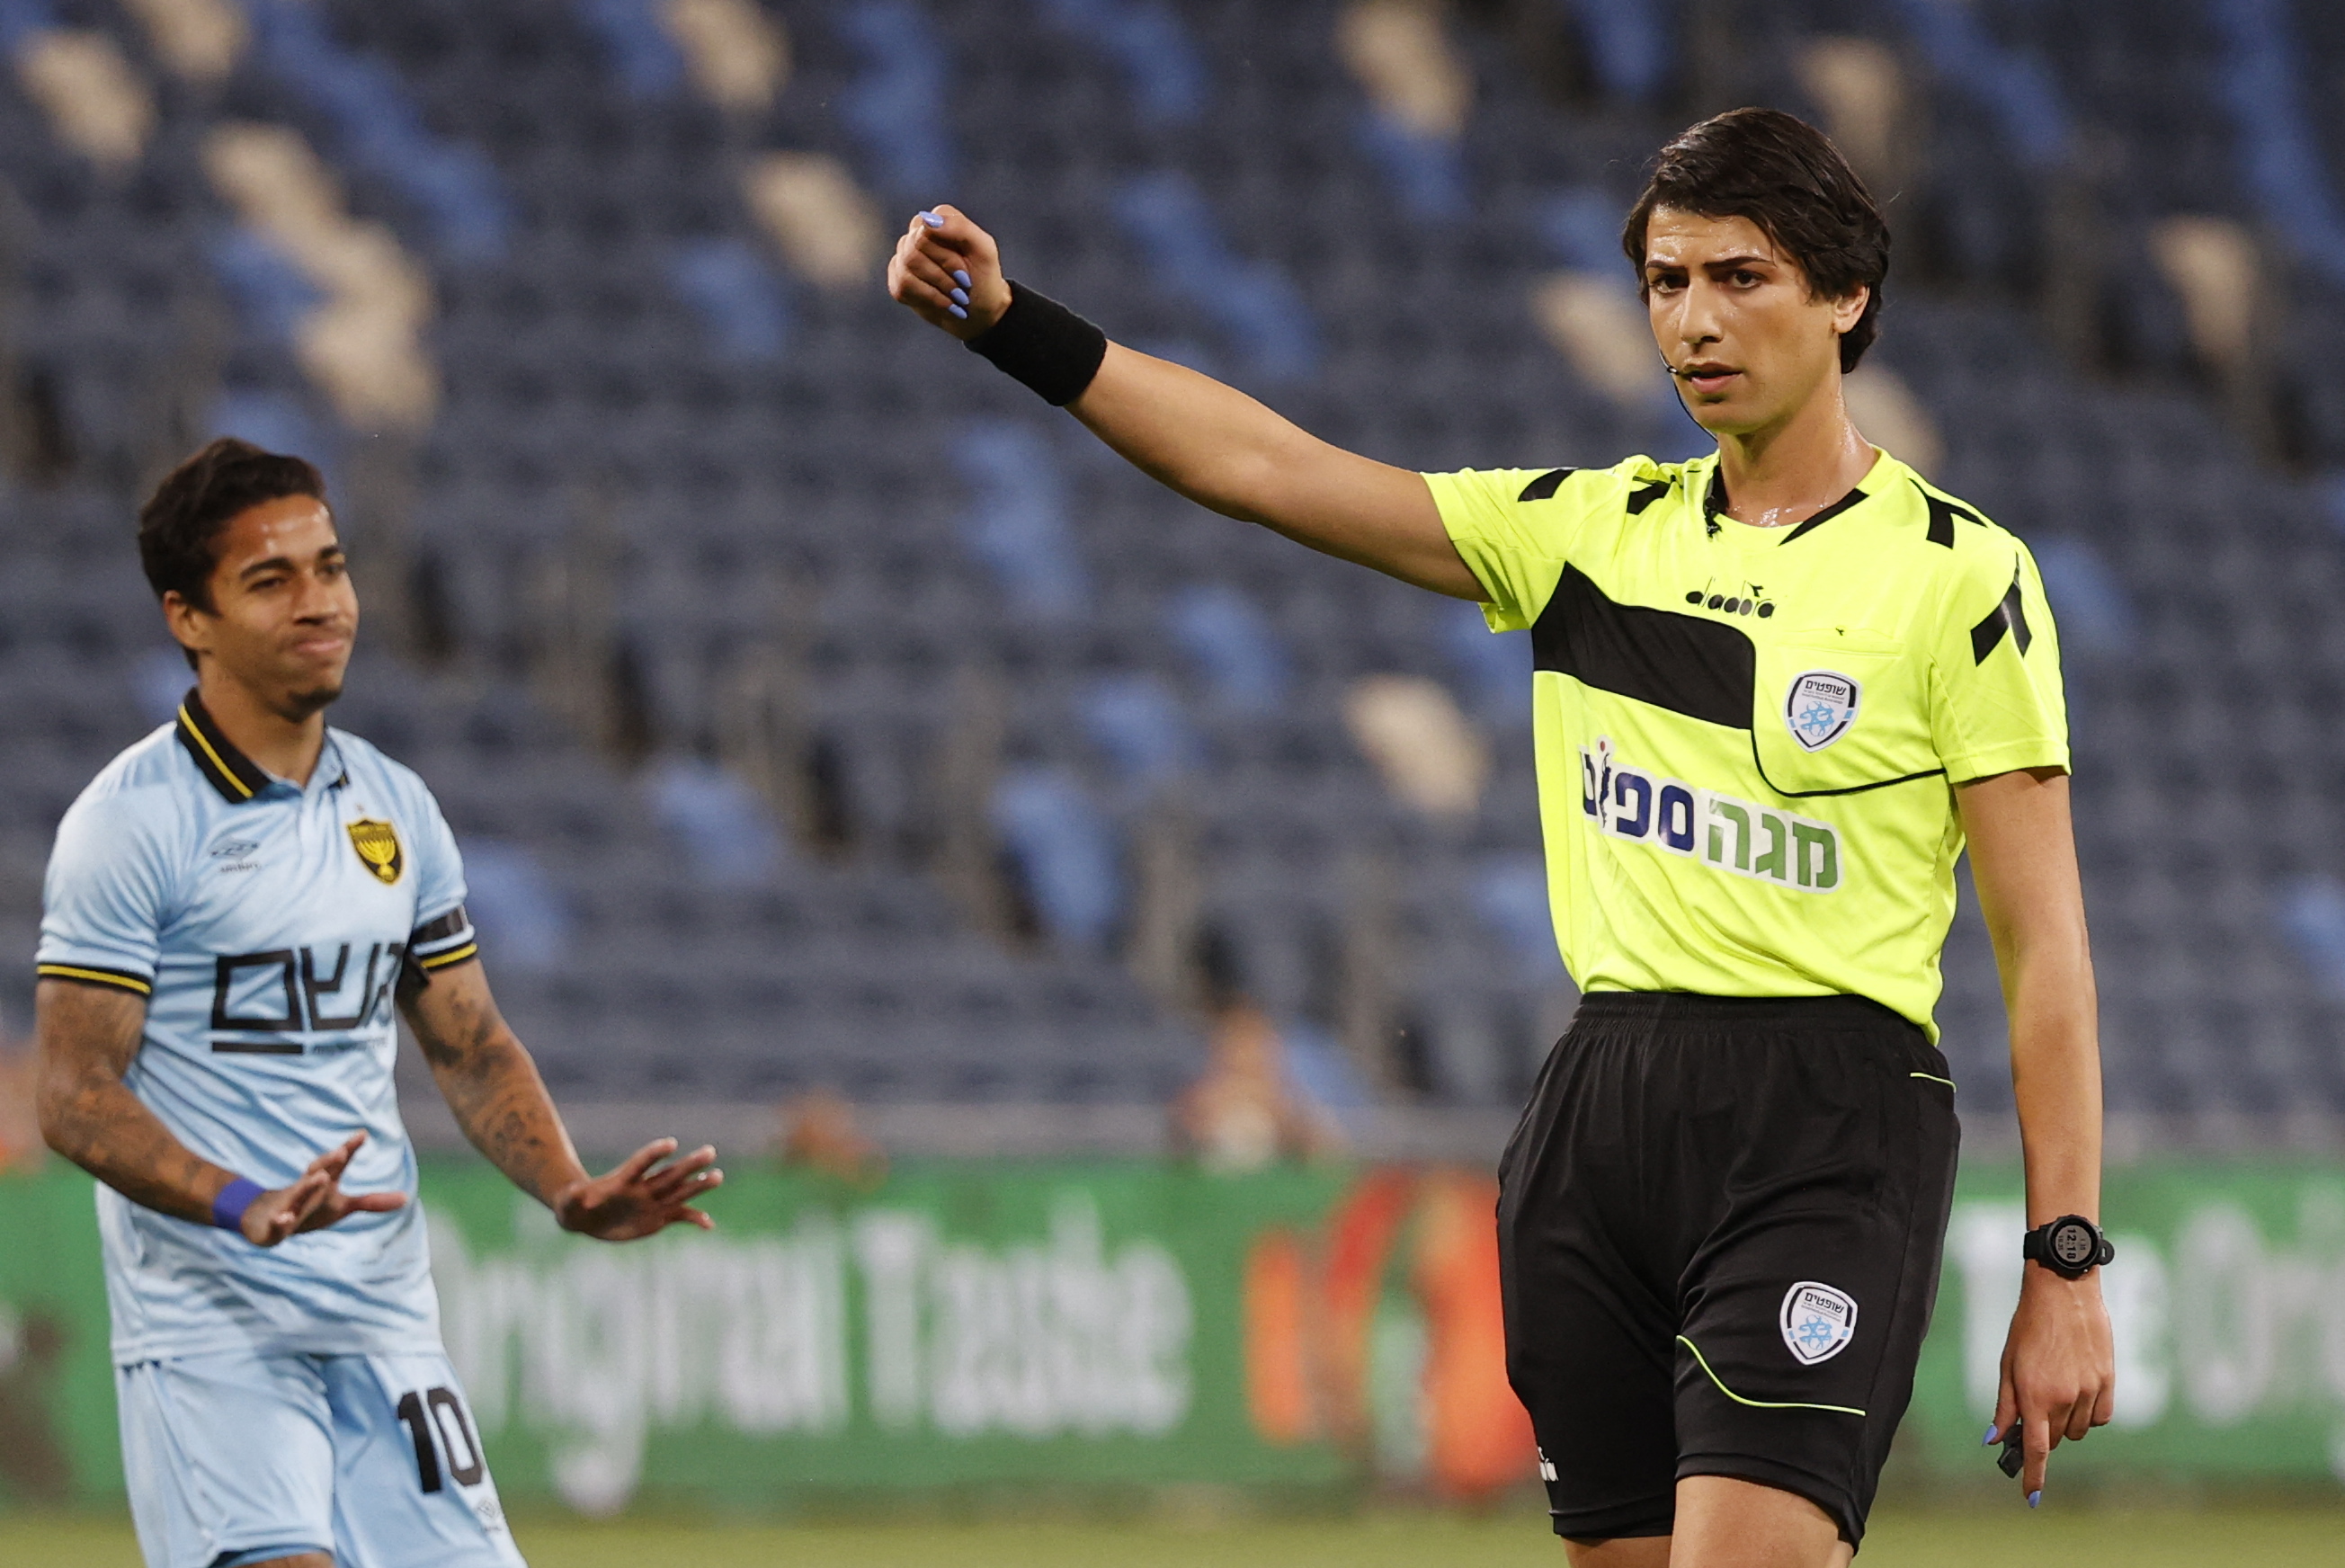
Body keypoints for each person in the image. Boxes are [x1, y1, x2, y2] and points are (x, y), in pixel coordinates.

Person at [887, 108, 2113, 1565]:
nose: (1691, 320)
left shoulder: (1958, 575)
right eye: (1664, 282)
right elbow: (1270, 470)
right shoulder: (1586, 530)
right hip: (1598, 1112)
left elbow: (2042, 950)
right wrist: (1017, 328)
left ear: (1845, 296)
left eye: (1738, 277)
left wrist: (2063, 1257)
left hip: (1825, 1116)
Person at [34, 439, 724, 1568]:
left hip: (382, 1321)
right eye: (272, 580)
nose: (320, 603)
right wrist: (236, 1199)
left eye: (331, 566)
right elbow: (71, 1092)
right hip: (217, 1327)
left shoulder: (395, 807)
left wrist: (565, 1186)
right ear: (187, 618)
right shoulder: (131, 823)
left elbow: (469, 1043)